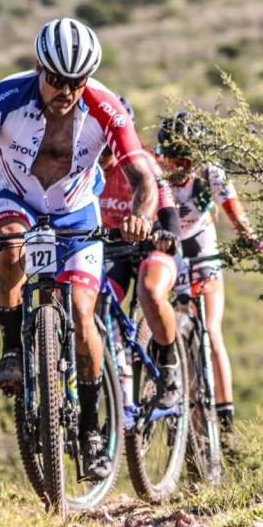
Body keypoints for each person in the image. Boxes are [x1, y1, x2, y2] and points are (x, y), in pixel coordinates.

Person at [0, 18, 159, 479]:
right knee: (10, 251)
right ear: (40, 67)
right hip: (16, 199)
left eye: (76, 81)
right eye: (56, 79)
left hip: (78, 211)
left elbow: (144, 177)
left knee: (82, 313)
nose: (66, 90)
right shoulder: (4, 98)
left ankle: (91, 429)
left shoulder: (106, 107)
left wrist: (140, 215)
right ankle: (12, 348)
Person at [156, 111, 263, 447]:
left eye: (187, 158)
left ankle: (226, 414)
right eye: (173, 157)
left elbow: (233, 208)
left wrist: (248, 236)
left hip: (203, 247)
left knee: (212, 330)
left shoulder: (210, 172)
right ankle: (181, 404)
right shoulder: (156, 174)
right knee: (172, 326)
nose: (180, 165)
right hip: (172, 250)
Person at [97, 97, 184, 416]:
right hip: (113, 250)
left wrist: (169, 235)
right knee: (92, 304)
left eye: (110, 146)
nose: (104, 154)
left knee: (150, 290)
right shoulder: (84, 166)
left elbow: (167, 206)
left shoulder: (141, 162)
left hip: (153, 244)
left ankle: (169, 368)